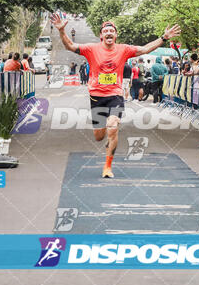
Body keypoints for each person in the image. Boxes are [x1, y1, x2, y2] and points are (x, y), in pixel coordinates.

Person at [51, 13, 180, 178]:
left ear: (116, 35)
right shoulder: (91, 49)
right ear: (101, 35)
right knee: (99, 136)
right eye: (106, 31)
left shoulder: (124, 49)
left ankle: (107, 167)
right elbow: (70, 46)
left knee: (113, 127)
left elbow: (145, 49)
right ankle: (106, 134)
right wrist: (62, 31)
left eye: (112, 30)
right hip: (96, 97)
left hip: (115, 95)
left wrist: (163, 37)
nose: (109, 32)